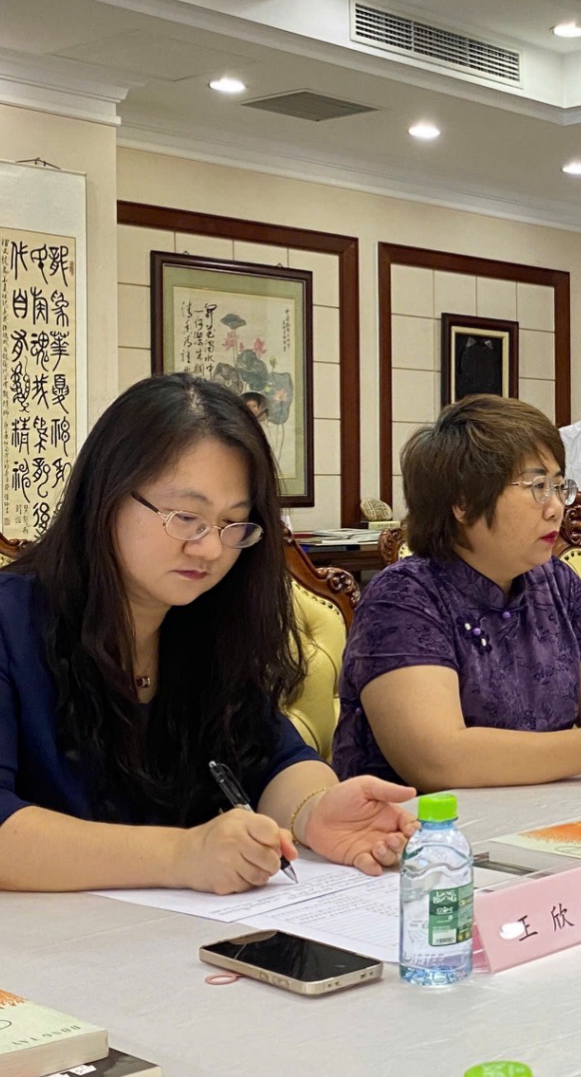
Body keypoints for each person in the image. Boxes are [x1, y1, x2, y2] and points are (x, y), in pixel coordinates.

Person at [0, 374, 416, 894]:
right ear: (105, 496)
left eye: (233, 524)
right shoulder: (11, 621)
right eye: (186, 517)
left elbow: (273, 759)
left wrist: (314, 812)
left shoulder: (206, 618)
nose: (211, 550)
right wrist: (183, 855)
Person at [334, 396, 581, 789]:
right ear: (463, 503)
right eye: (538, 487)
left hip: (543, 812)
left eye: (559, 486)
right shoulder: (403, 598)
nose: (556, 507)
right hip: (423, 822)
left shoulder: (556, 582)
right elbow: (439, 758)